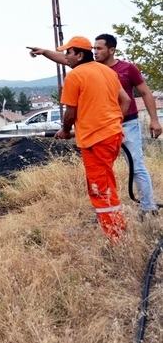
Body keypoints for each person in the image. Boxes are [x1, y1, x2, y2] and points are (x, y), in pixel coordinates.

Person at [30, 34, 162, 217]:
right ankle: (109, 213)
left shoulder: (125, 69)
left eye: (99, 48)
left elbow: (145, 93)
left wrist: (153, 120)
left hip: (125, 123)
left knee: (135, 166)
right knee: (105, 173)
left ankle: (147, 208)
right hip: (106, 129)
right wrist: (44, 52)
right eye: (94, 48)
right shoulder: (95, 69)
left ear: (111, 50)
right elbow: (67, 59)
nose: (95, 51)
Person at [46, 36, 131, 241]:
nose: (66, 57)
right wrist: (114, 124)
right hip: (112, 136)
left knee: (99, 189)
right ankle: (118, 227)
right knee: (106, 183)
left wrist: (66, 130)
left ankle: (116, 239)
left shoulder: (75, 76)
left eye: (69, 53)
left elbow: (70, 113)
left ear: (80, 55)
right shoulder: (108, 72)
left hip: (96, 141)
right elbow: (126, 100)